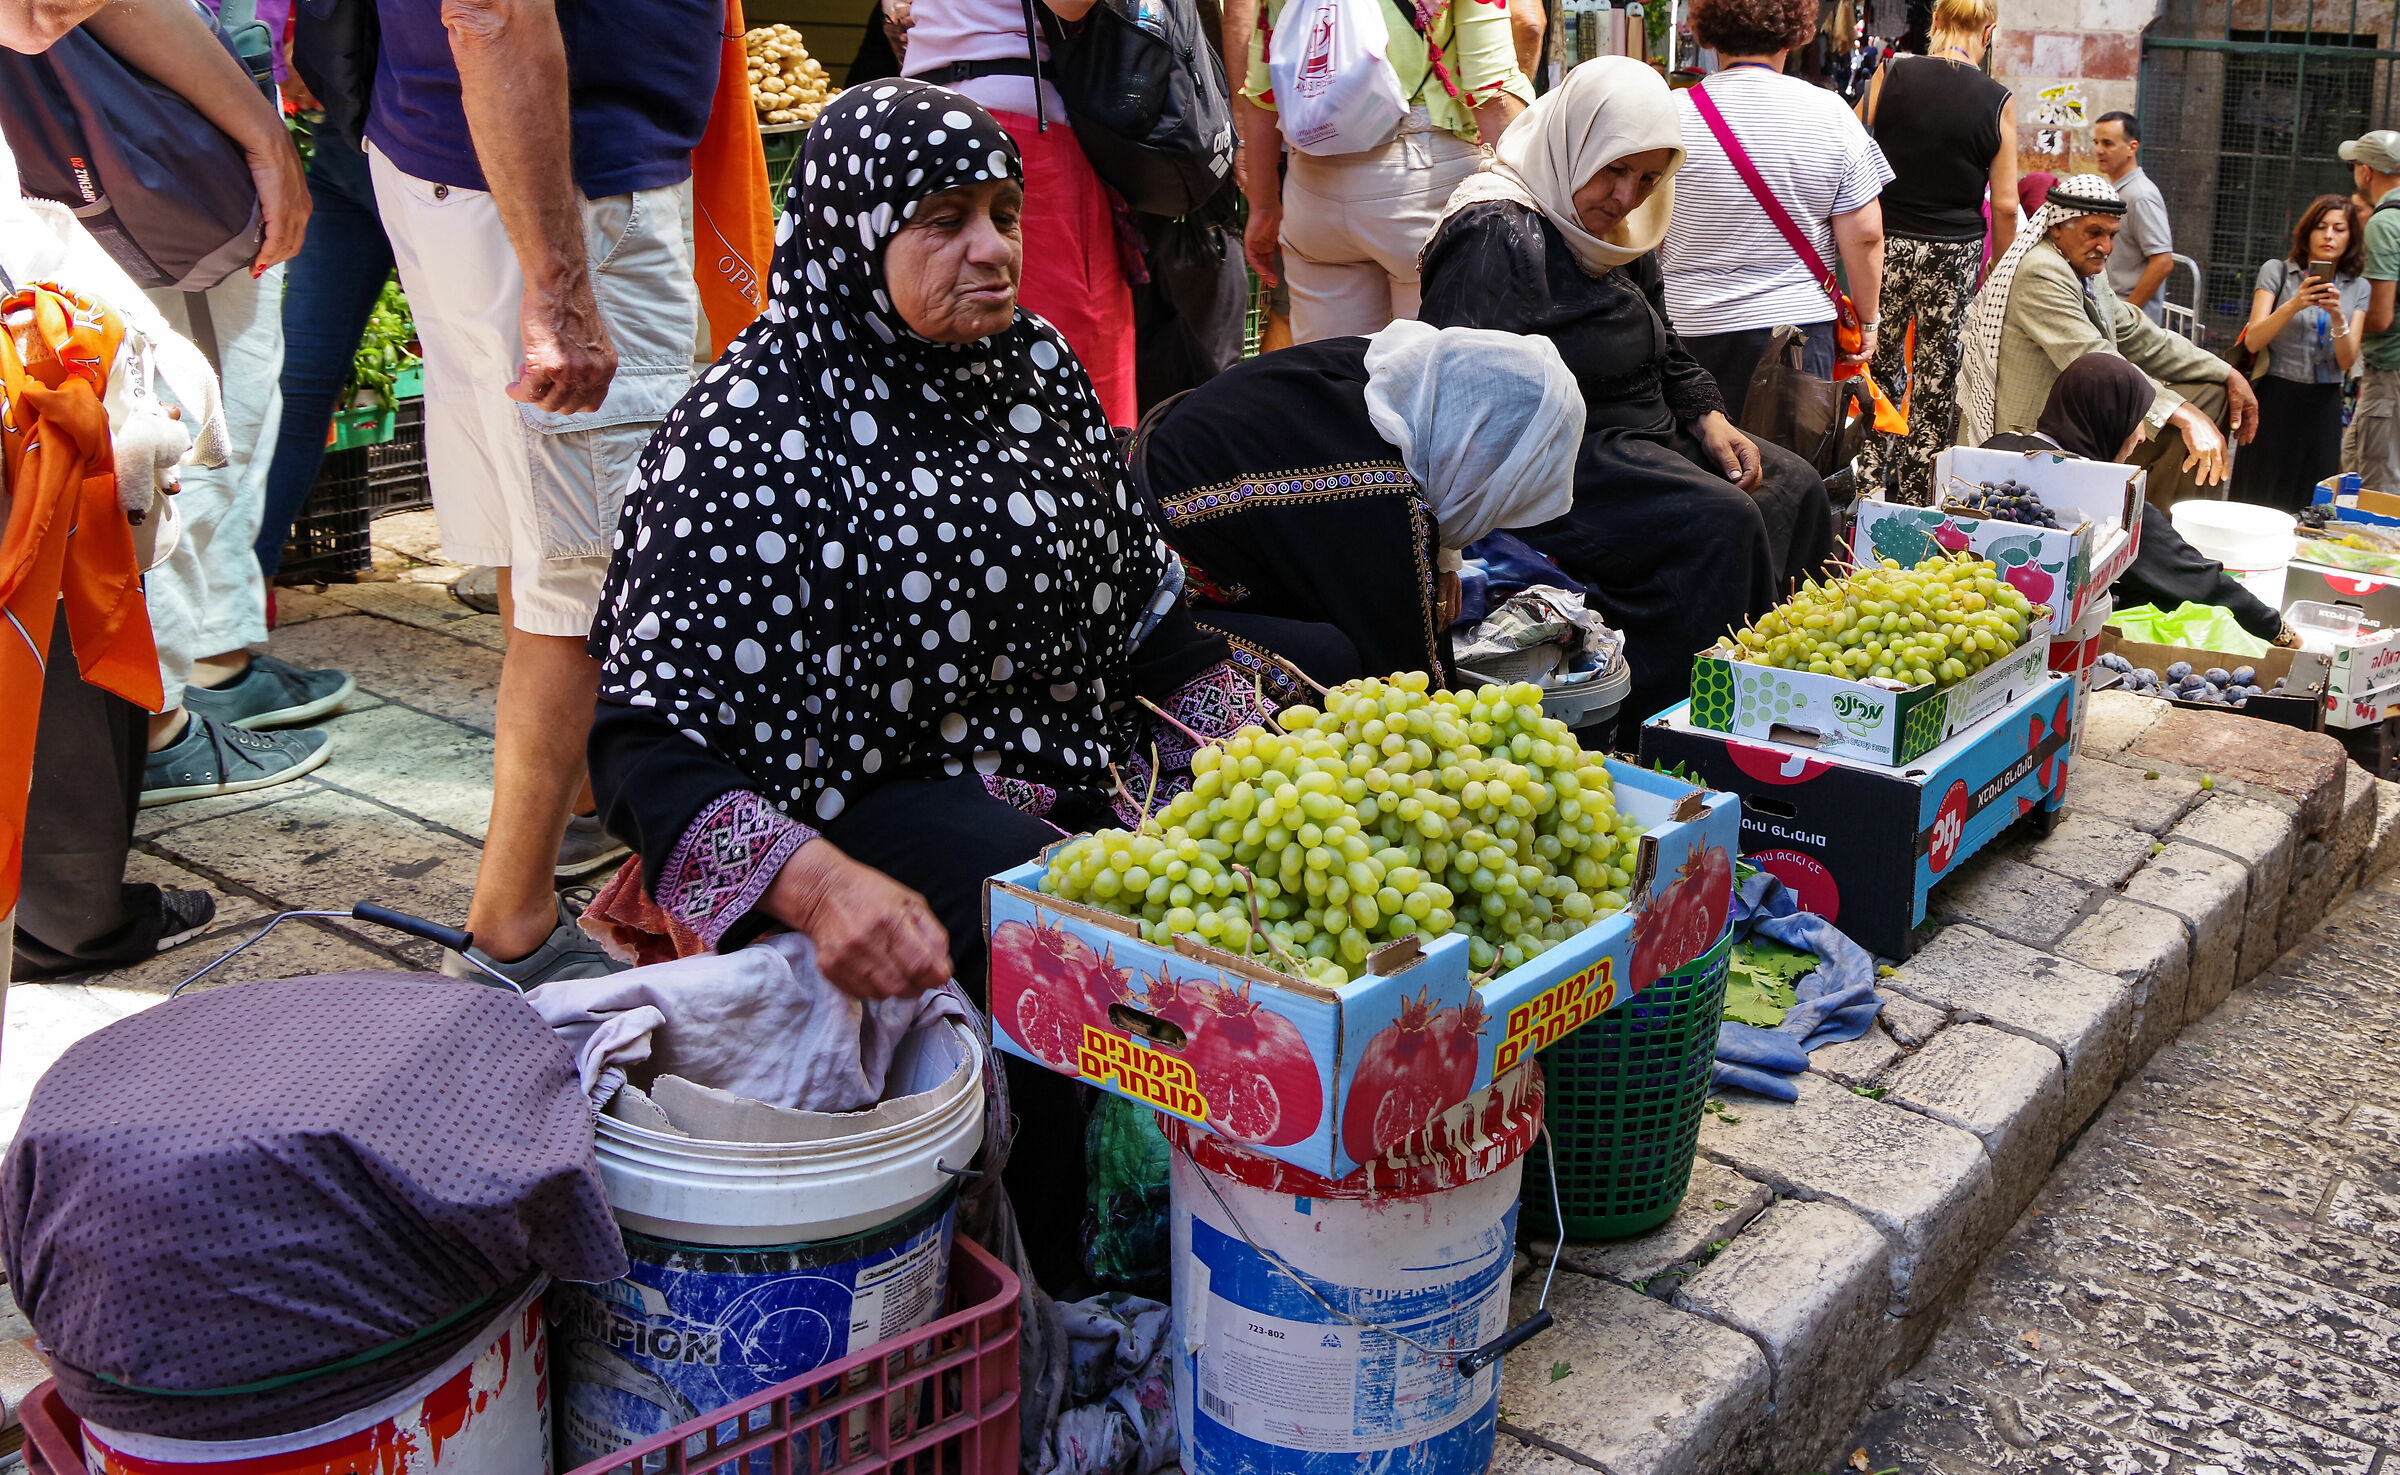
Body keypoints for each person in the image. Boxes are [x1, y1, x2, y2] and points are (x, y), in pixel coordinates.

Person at [583, 82, 1339, 1289]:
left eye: (1003, 210)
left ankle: (1274, 1184)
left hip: (1068, 741)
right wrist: (824, 890)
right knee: (1030, 901)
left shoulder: (1032, 368)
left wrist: (1261, 744)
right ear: (851, 232)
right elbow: (643, 747)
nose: (991, 248)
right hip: (859, 789)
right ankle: (1062, 1267)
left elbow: (1145, 608)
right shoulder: (745, 432)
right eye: (941, 220)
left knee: (1326, 702)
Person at [364, 0, 715, 984]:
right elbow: (491, 13)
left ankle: (573, 810)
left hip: (492, 162)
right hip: (559, 182)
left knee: (550, 553)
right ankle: (510, 926)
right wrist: (558, 283)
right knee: (594, 578)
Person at [1419, 57, 1838, 742]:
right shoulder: (1497, 230)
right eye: (1613, 170)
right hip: (1554, 456)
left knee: (1793, 485)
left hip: (1643, 432)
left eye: (1647, 178)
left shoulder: (1619, 228)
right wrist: (1446, 541)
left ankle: (1792, 703)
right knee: (1720, 523)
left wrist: (1709, 415)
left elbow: (1661, 334)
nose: (1627, 196)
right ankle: (1682, 733)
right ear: (1575, 143)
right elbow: (1452, 390)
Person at [1132, 320, 1584, 684]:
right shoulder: (1382, 500)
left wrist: (1443, 559)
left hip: (1138, 492)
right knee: (1328, 666)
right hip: (1140, 596)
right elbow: (1409, 680)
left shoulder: (1390, 371)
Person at [886, 0, 1138, 425]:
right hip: (1018, 125)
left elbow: (898, 11)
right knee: (1077, 335)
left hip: (921, 114)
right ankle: (1084, 478)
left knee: (948, 326)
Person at [1233, 0, 1531, 343]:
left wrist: (1264, 207)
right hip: (1425, 191)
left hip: (1313, 195)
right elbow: (1493, 92)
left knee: (1332, 378)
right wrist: (1535, 202)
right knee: (1431, 376)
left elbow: (1262, 92)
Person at [1955, 173, 2255, 509]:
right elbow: (2093, 356)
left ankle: (2176, 525)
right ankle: (2157, 531)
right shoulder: (2041, 270)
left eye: (2112, 235)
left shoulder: (2086, 269)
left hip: (2087, 421)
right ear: (2057, 227)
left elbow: (2141, 335)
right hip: (2036, 438)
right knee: (2183, 420)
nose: (2105, 246)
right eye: (2094, 233)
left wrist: (2228, 372)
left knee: (2212, 392)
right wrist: (2184, 414)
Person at [1660, 0, 1890, 419]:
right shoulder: (1830, 113)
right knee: (1792, 474)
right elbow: (1865, 234)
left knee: (1696, 474)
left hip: (1688, 335)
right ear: (1795, 29)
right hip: (1797, 335)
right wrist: (1869, 320)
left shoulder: (1671, 114)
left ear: (1709, 31)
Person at [1986, 356, 2292, 647]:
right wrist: (2279, 631)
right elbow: (2195, 578)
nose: (2142, 436)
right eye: (2137, 418)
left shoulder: (1995, 449)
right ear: (2108, 417)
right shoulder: (2107, 495)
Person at [1852, 0, 2016, 504]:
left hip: (1890, 243)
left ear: (1935, 24)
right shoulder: (1997, 99)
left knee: (1877, 364)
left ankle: (1865, 486)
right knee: (1938, 377)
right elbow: (2007, 206)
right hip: (1955, 254)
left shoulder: (1890, 74)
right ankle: (1920, 498)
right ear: (1988, 32)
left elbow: (1849, 145)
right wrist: (1999, 271)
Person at [2232, 196, 2368, 512]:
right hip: (2275, 398)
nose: (2329, 236)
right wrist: (2295, 303)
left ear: (2351, 238)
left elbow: (2347, 362)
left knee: (2310, 502)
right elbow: (2253, 340)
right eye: (2321, 227)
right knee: (2258, 496)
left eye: (2339, 229)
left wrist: (2337, 316)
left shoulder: (2358, 287)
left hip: (2323, 406)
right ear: (2307, 233)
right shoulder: (2277, 272)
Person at [2346, 130, 2400, 494]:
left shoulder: (2385, 222)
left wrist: (2333, 325)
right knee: (2352, 463)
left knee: (2379, 488)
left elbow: (2380, 317)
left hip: (2390, 373)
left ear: (2366, 172)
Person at [2092, 111, 2172, 325]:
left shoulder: (2140, 195)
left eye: (2108, 143)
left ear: (2132, 147)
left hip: (2130, 324)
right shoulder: (2118, 190)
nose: (2099, 150)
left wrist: (2126, 316)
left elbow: (2163, 262)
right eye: (2096, 142)